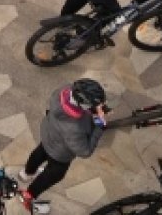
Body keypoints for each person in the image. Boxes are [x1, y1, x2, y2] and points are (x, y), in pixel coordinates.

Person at [19, 80, 108, 214]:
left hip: (49, 134)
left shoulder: (63, 91)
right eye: (94, 105)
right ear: (82, 104)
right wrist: (100, 124)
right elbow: (85, 151)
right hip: (60, 154)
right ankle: (28, 197)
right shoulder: (75, 128)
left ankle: (26, 174)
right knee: (51, 175)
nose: (98, 107)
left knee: (40, 152)